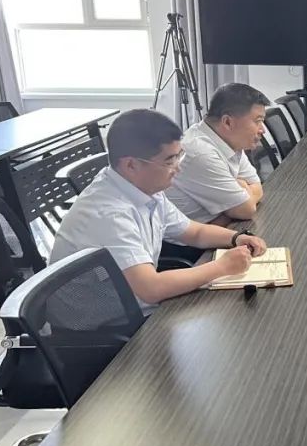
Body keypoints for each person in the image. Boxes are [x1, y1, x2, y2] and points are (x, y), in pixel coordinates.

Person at [50, 109, 268, 311]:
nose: (178, 168)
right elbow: (152, 289)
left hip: (132, 302)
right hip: (106, 325)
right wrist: (222, 267)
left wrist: (236, 238)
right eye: (169, 161)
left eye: (179, 156)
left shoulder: (144, 187)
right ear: (131, 165)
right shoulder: (109, 214)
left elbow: (194, 232)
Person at [166, 83, 269, 224]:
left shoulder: (229, 140)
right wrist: (242, 190)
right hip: (194, 236)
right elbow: (246, 210)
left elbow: (257, 186)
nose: (262, 130)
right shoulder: (201, 153)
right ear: (227, 122)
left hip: (218, 227)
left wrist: (242, 189)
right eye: (258, 121)